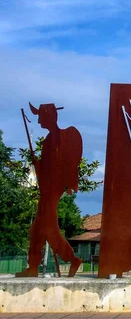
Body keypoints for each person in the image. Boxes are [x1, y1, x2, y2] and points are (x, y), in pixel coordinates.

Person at [16, 103, 83, 278]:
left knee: (47, 230)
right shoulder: (48, 141)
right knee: (38, 229)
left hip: (52, 191)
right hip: (47, 190)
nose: (38, 121)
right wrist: (37, 164)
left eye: (40, 117)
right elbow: (47, 169)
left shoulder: (62, 138)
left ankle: (70, 259)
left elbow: (59, 168)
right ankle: (34, 267)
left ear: (49, 116)